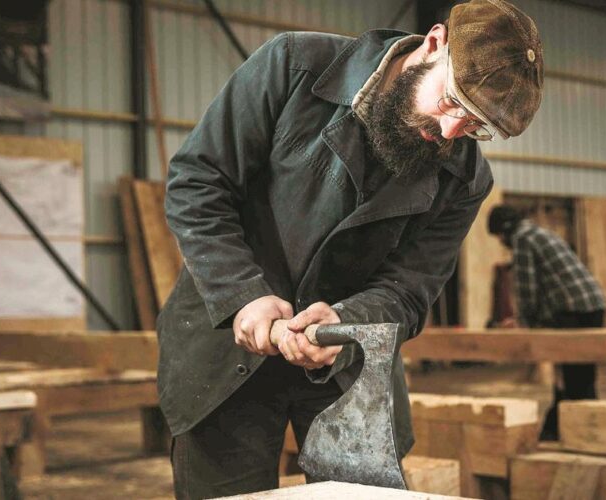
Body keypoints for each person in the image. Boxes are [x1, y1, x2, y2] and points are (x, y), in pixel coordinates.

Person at [159, 1, 544, 497]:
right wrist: (241, 293)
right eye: (453, 101)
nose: (451, 132)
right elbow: (199, 181)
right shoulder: (295, 67)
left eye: (475, 125)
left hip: (347, 367)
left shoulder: (466, 178)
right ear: (433, 44)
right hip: (223, 348)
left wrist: (347, 322)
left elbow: (408, 291)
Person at [487, 205, 606, 440]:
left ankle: (581, 433)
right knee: (581, 375)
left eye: (499, 237)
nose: (501, 242)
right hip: (592, 304)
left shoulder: (522, 239)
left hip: (573, 310)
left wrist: (526, 324)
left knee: (572, 379)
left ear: (504, 230)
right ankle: (571, 429)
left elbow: (526, 287)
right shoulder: (540, 232)